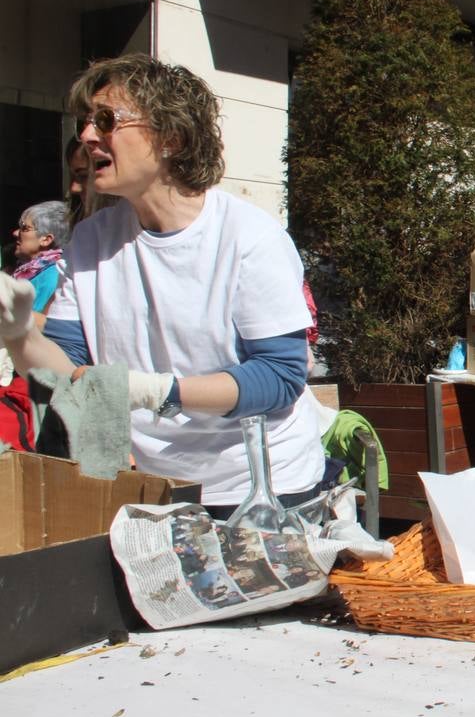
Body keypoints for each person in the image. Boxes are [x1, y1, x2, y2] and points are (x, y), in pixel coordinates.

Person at [0, 54, 324, 514]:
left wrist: (158, 391)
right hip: (151, 485)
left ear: (170, 137)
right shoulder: (91, 239)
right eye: (85, 122)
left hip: (256, 488)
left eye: (107, 120)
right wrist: (18, 333)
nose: (89, 136)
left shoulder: (249, 237)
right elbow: (65, 371)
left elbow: (279, 376)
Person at [11, 201, 70, 317]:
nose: (15, 233)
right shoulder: (30, 271)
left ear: (46, 240)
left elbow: (34, 324)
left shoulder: (52, 275)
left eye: (24, 228)